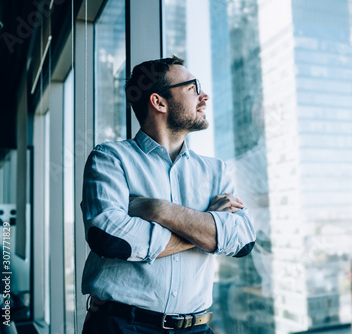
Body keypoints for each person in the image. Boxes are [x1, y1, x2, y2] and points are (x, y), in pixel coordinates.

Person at [81, 56, 256, 333]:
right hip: (122, 326)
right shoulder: (111, 158)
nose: (204, 96)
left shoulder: (216, 170)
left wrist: (158, 210)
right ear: (159, 102)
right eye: (192, 88)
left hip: (197, 327)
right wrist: (209, 226)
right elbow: (110, 239)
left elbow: (243, 241)